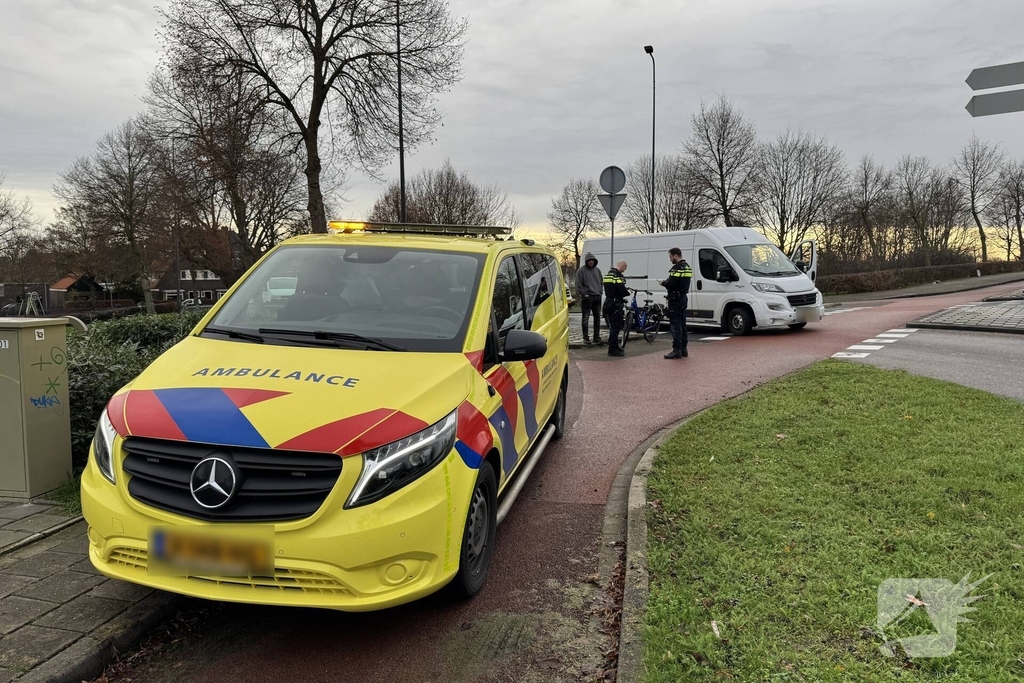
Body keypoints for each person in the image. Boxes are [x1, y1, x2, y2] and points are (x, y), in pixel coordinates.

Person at [659, 247, 692, 359]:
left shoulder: (676, 268)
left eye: (670, 257)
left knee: (675, 325)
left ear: (675, 256)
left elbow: (671, 283)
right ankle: (684, 349)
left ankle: (676, 350)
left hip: (675, 300)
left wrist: (664, 283)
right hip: (683, 298)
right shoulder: (687, 267)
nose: (670, 259)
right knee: (683, 324)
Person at [574, 252, 603, 346]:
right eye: (589, 261)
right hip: (587, 297)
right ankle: (586, 338)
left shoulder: (597, 270)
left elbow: (601, 282)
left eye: (592, 260)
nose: (591, 262)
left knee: (597, 318)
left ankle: (596, 337)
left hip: (597, 297)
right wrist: (584, 294)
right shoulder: (581, 271)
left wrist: (600, 292)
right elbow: (578, 284)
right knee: (585, 318)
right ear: (586, 261)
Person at [602, 260, 629, 357]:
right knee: (616, 327)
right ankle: (612, 349)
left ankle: (615, 345)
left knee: (612, 326)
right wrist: (627, 293)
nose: (624, 271)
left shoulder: (607, 275)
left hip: (608, 302)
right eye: (624, 268)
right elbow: (622, 290)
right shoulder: (618, 276)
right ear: (622, 266)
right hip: (616, 303)